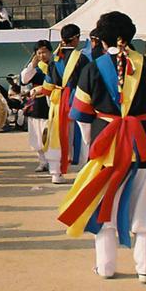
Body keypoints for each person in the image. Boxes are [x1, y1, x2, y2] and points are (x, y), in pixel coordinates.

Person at [59, 11, 146, 283]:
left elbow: (82, 118)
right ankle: (145, 270)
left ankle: (106, 267)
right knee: (145, 209)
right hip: (144, 147)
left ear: (102, 39)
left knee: (105, 208)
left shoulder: (92, 69)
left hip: (105, 149)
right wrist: (142, 130)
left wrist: (93, 144)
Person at [49, 24, 93, 177]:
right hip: (76, 98)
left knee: (57, 133)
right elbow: (87, 82)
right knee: (81, 133)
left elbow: (48, 84)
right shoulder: (82, 58)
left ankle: (56, 172)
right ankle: (82, 170)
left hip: (57, 100)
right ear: (75, 39)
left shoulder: (54, 58)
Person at [21, 40, 61, 182]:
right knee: (37, 135)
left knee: (49, 135)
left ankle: (53, 162)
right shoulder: (36, 69)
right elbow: (24, 79)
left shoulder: (56, 65)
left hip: (52, 102)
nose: (42, 55)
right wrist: (32, 64)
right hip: (37, 104)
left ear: (50, 52)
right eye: (39, 53)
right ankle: (42, 161)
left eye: (44, 52)